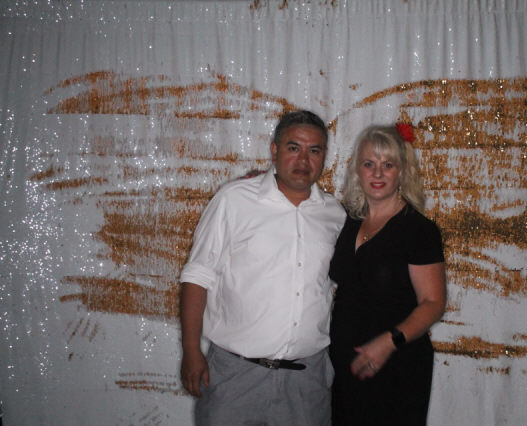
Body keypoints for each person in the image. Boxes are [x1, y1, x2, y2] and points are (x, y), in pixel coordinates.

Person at [179, 110, 346, 426]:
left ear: (324, 156)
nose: (303, 159)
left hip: (307, 381)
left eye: (314, 150)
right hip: (235, 377)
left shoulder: (335, 215)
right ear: (274, 150)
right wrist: (191, 350)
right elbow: (198, 275)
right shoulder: (235, 200)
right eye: (293, 147)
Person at [329, 124, 447, 425]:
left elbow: (434, 303)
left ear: (402, 172)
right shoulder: (347, 220)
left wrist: (388, 343)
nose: (378, 173)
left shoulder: (418, 230)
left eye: (388, 165)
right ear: (357, 170)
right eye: (369, 164)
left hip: (397, 365)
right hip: (346, 368)